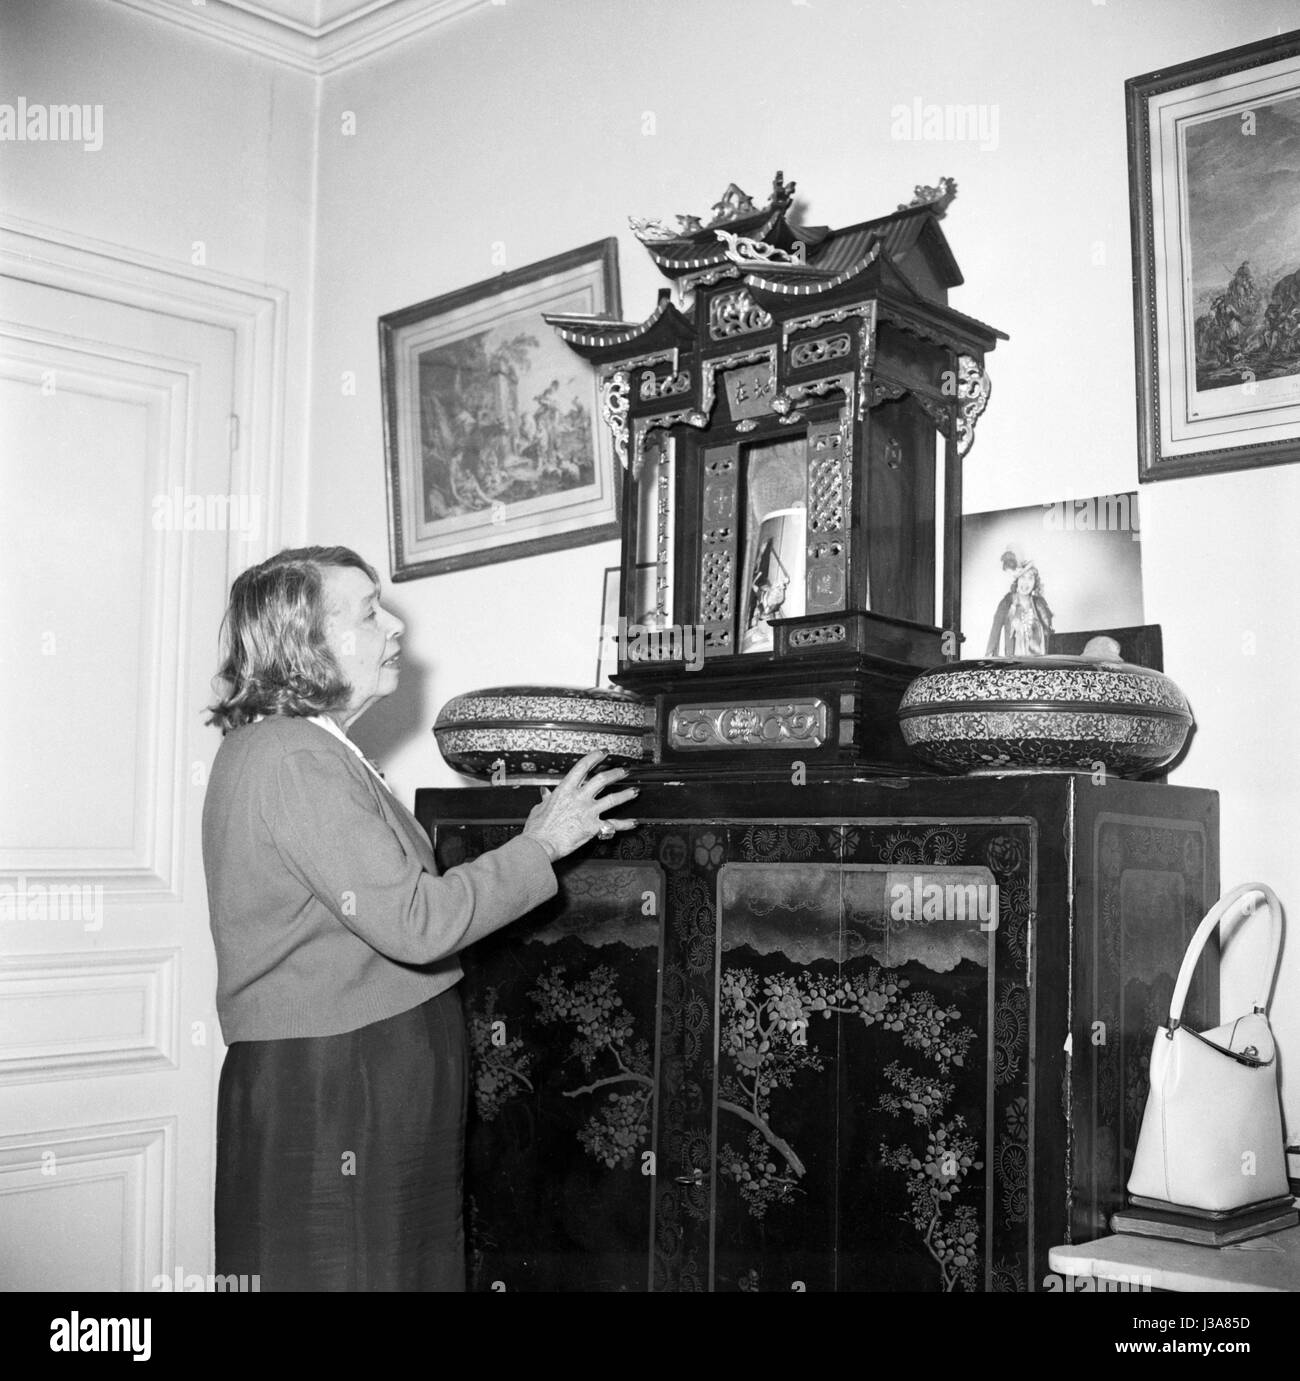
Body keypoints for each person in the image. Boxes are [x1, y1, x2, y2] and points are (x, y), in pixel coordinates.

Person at [201, 544, 637, 1291]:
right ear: (303, 642)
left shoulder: (288, 750)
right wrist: (541, 846)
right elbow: (415, 920)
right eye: (370, 611)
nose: (396, 627)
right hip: (340, 1085)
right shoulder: (294, 757)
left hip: (345, 1078)